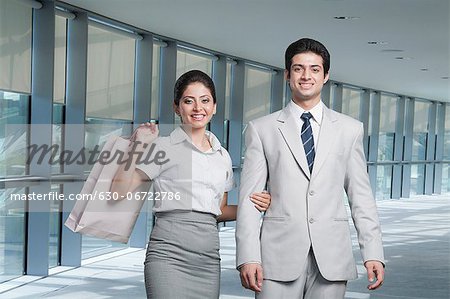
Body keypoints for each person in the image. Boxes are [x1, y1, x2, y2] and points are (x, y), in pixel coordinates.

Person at [236, 38, 385, 299]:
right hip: (277, 255)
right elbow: (249, 199)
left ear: (326, 75)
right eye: (298, 69)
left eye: (315, 69)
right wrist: (248, 256)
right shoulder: (262, 129)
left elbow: (361, 196)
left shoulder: (350, 129)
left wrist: (373, 252)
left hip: (332, 255)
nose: (306, 76)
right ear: (287, 75)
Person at [110, 70, 271, 299]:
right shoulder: (162, 147)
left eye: (205, 100)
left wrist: (257, 205)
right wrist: (136, 146)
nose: (198, 108)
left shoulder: (222, 155)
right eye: (189, 101)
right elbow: (117, 192)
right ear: (177, 107)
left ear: (214, 106)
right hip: (168, 255)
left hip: (207, 259)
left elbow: (220, 210)